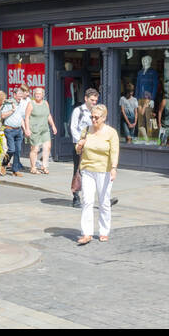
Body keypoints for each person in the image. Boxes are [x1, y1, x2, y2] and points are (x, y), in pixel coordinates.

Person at [74, 104, 119, 245]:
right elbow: (78, 151)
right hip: (87, 169)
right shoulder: (86, 130)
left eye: (96, 117)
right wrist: (79, 146)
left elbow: (114, 151)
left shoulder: (111, 133)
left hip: (104, 171)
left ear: (104, 118)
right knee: (87, 200)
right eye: (92, 116)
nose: (93, 120)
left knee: (104, 202)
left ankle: (104, 231)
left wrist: (113, 168)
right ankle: (86, 233)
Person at [70, 87, 98, 207]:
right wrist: (80, 142)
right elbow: (73, 127)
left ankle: (103, 198)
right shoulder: (78, 111)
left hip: (92, 145)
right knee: (78, 170)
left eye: (96, 100)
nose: (94, 102)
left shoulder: (96, 111)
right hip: (80, 145)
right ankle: (76, 197)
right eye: (92, 100)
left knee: (96, 170)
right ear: (86, 98)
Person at [23, 87, 56, 174]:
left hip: (44, 129)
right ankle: (33, 167)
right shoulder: (31, 104)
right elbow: (26, 117)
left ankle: (44, 166)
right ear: (34, 95)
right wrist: (27, 129)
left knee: (47, 147)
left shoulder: (45, 103)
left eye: (39, 94)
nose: (38, 95)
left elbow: (48, 115)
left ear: (42, 95)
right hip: (34, 129)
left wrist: (53, 126)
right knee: (35, 149)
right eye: (36, 94)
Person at [1, 89, 25, 176]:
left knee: (18, 151)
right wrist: (12, 110)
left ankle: (15, 170)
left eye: (22, 96)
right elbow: (3, 115)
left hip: (18, 130)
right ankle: (3, 165)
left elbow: (21, 118)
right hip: (9, 130)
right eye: (19, 95)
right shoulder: (8, 103)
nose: (20, 98)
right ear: (14, 95)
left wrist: (25, 129)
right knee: (11, 149)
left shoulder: (21, 104)